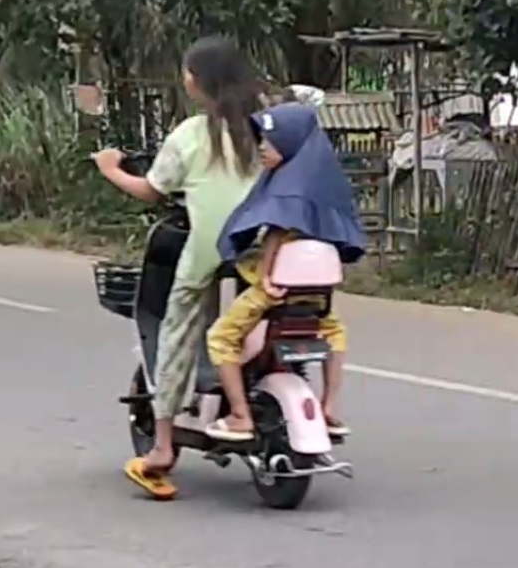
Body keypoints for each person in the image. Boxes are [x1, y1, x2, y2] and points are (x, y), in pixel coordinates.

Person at [93, 36, 263, 495]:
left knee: (178, 330)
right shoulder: (264, 127)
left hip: (210, 246)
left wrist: (110, 168)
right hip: (264, 247)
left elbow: (153, 190)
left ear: (197, 81)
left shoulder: (191, 134)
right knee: (256, 315)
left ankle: (163, 447)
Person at [205, 102, 367, 441]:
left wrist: (265, 277)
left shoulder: (286, 189)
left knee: (220, 339)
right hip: (316, 297)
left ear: (292, 143)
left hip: (275, 291)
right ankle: (330, 406)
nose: (262, 147)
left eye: (269, 140)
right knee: (335, 336)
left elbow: (276, 235)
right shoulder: (322, 186)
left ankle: (238, 414)